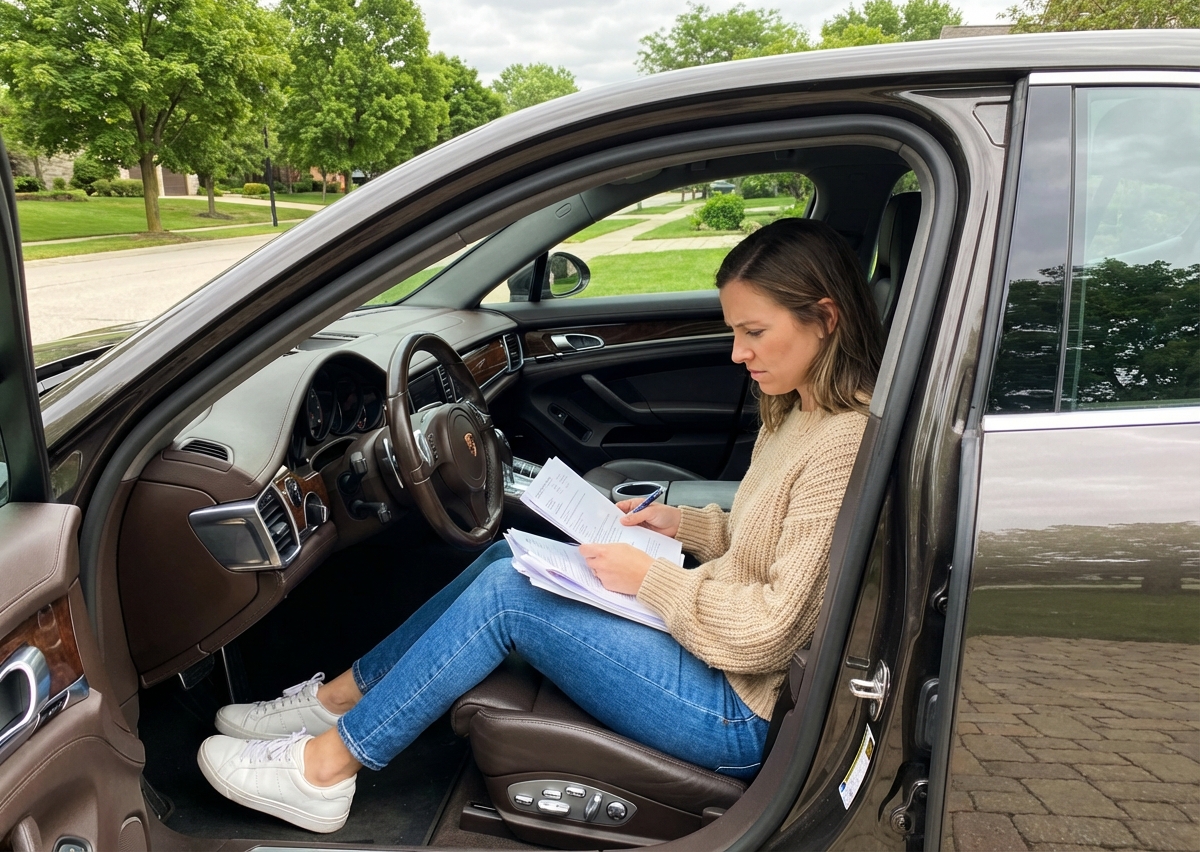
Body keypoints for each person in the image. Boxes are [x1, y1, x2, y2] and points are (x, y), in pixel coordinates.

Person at [196, 218, 885, 833]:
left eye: (753, 332)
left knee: (509, 599)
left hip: (738, 712)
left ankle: (325, 769)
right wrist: (683, 525)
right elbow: (766, 541)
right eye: (734, 331)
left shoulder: (840, 441)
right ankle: (334, 700)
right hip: (717, 660)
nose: (737, 353)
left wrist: (650, 580)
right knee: (505, 562)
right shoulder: (796, 410)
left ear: (824, 317)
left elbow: (772, 629)